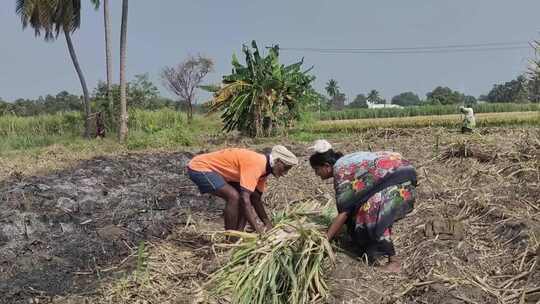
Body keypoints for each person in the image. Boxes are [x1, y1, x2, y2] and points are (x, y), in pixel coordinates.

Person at [308, 140, 417, 272]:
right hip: (403, 172)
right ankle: (366, 248)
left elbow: (344, 212)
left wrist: (325, 240)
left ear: (326, 166)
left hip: (400, 178)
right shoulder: (344, 162)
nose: (316, 174)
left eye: (317, 169)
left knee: (370, 211)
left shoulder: (340, 171)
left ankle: (394, 262)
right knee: (360, 210)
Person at [187, 145, 298, 233]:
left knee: (247, 198)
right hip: (199, 167)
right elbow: (245, 200)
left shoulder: (264, 170)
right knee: (234, 196)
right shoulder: (257, 164)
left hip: (215, 171)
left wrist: (268, 224)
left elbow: (256, 199)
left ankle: (238, 235)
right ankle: (230, 239)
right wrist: (258, 230)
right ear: (278, 161)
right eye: (286, 168)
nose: (285, 173)